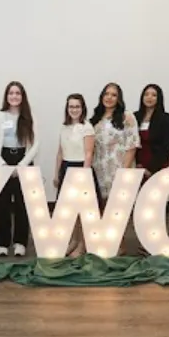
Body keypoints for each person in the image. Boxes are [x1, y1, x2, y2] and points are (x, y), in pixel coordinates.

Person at [0, 81, 39, 257]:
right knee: (2, 203)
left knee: (22, 203)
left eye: (18, 93)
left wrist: (22, 165)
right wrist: (2, 164)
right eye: (11, 93)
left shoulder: (29, 117)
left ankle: (20, 242)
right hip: (3, 159)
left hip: (23, 160)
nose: (14, 96)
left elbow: (35, 144)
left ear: (22, 96)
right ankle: (2, 243)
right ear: (6, 96)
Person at [53, 94, 100, 257]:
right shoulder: (63, 127)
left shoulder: (87, 127)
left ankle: (82, 244)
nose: (74, 109)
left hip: (81, 168)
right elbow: (60, 152)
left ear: (83, 108)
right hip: (66, 167)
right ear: (67, 109)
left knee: (82, 209)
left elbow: (89, 153)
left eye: (77, 106)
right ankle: (73, 240)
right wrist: (57, 173)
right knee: (70, 209)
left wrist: (84, 176)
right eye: (71, 106)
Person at [91, 83, 140, 204]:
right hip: (99, 169)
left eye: (114, 95)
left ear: (119, 99)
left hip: (119, 168)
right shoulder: (96, 119)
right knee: (101, 209)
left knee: (119, 208)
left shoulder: (127, 116)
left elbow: (132, 145)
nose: (109, 97)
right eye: (106, 94)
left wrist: (123, 172)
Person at [133, 84, 169, 184]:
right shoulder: (134, 117)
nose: (149, 97)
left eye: (154, 95)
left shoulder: (165, 118)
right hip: (137, 165)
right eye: (146, 94)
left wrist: (151, 169)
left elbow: (166, 146)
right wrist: (137, 164)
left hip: (157, 164)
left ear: (159, 98)